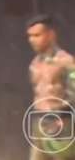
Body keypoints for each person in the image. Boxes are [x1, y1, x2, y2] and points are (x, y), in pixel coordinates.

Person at [26, 14, 75, 160]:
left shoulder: (65, 61)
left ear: (51, 35)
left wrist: (65, 116)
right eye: (30, 36)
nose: (32, 40)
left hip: (61, 122)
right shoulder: (35, 64)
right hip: (39, 122)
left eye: (37, 35)